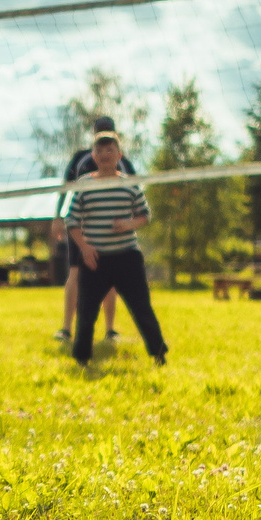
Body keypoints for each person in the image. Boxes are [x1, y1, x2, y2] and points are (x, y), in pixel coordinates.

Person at [66, 131, 167, 368]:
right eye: (99, 151)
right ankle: (82, 359)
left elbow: (145, 215)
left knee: (141, 308)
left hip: (127, 258)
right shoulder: (85, 185)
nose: (104, 155)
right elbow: (71, 220)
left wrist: (129, 224)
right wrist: (85, 247)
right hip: (95, 259)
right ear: (93, 155)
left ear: (119, 155)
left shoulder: (129, 185)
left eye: (109, 150)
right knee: (86, 312)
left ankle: (159, 354)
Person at [61, 114, 136, 344]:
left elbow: (134, 194)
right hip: (82, 227)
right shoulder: (82, 158)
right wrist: (59, 217)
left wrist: (128, 224)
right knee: (77, 273)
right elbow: (67, 188)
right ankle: (69, 329)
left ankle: (106, 330)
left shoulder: (122, 162)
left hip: (108, 229)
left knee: (106, 276)